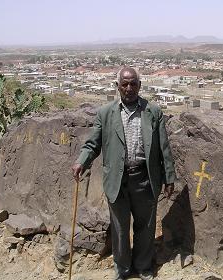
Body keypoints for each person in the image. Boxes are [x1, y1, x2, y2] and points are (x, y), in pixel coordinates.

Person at [72, 66, 176, 280]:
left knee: (145, 227)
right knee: (120, 228)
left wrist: (169, 177)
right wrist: (81, 161)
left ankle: (143, 266)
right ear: (117, 86)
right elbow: (93, 144)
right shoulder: (105, 113)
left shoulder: (153, 112)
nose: (129, 88)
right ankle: (122, 269)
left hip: (145, 178)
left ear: (140, 85)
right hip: (117, 180)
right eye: (125, 84)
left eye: (133, 83)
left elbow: (164, 148)